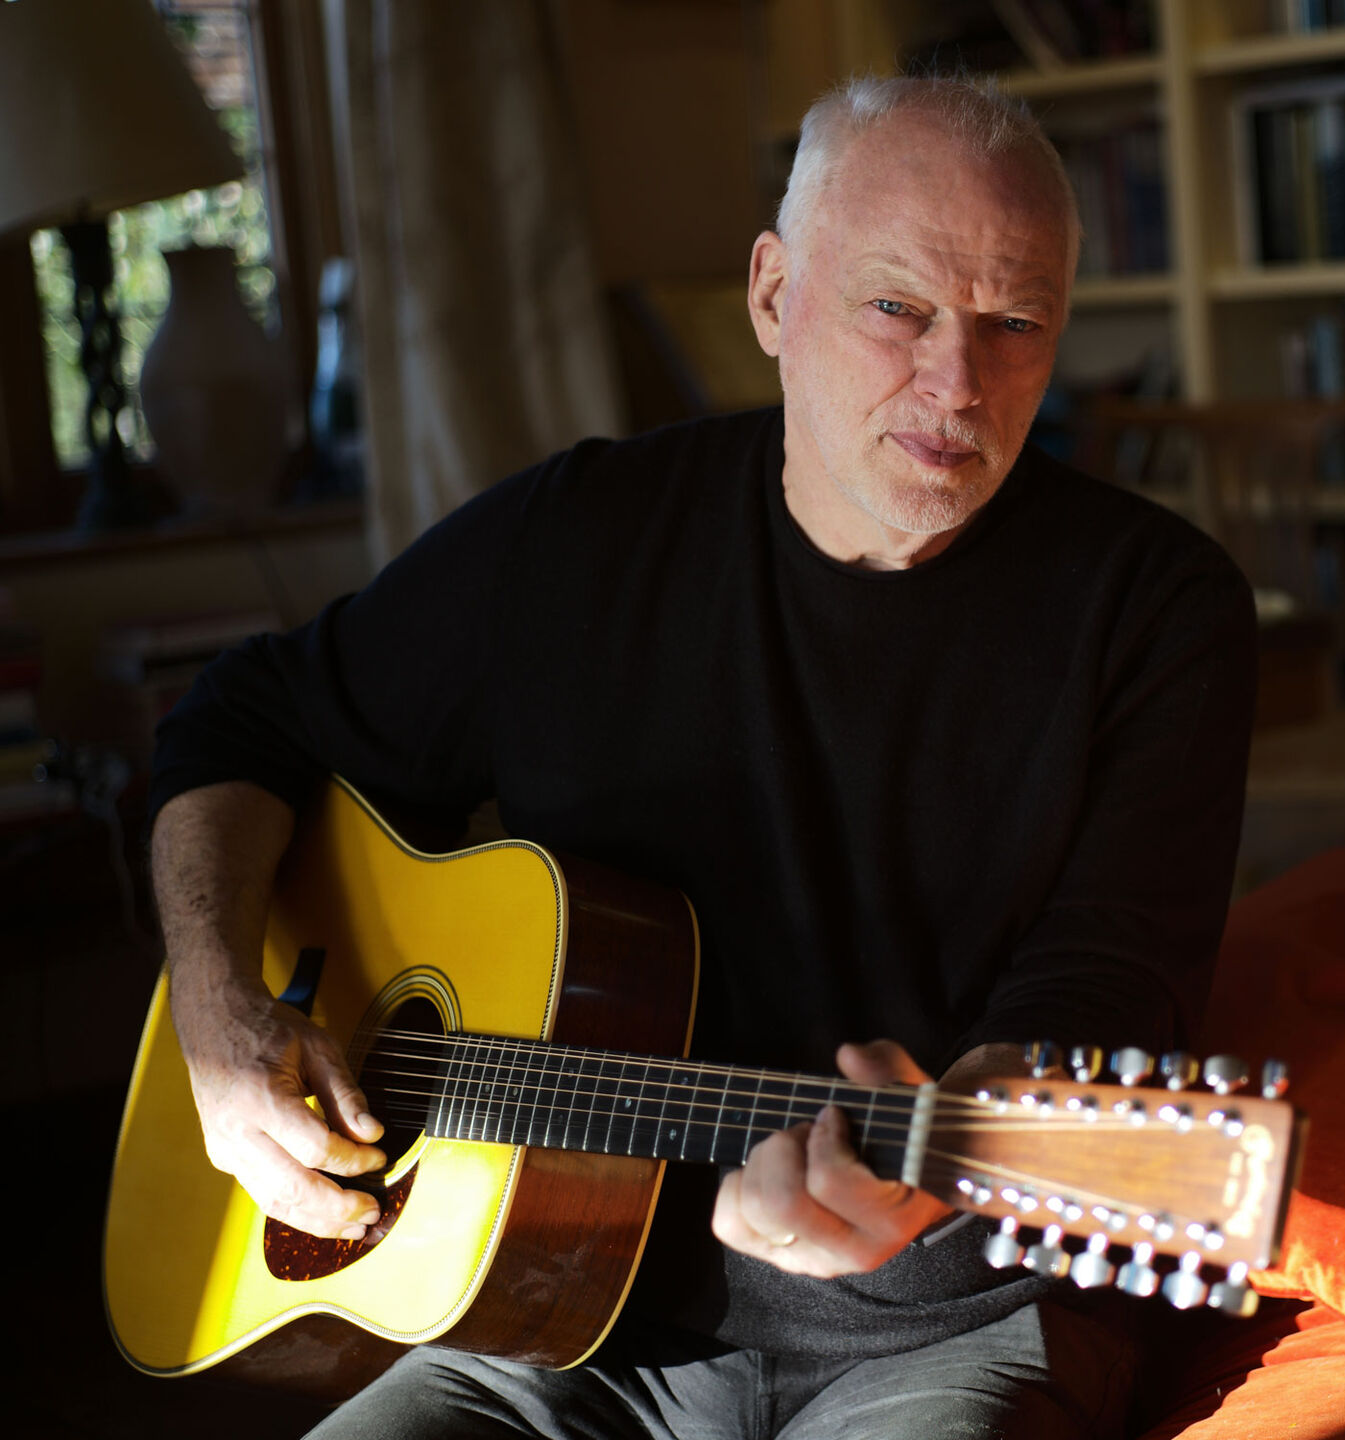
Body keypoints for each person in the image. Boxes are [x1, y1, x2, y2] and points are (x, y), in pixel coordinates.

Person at [150, 73, 1257, 1438]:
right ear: (773, 296)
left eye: (1016, 322)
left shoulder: (1158, 610)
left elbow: (1109, 991)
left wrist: (940, 1169)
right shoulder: (577, 538)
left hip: (949, 1322)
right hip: (548, 1324)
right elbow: (247, 719)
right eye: (899, 307)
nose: (959, 382)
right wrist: (216, 1005)